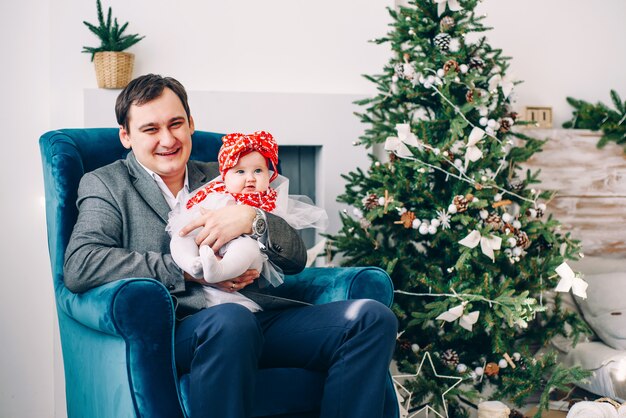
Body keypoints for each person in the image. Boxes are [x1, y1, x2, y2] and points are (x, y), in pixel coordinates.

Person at [63, 73, 398, 418]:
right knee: (230, 321)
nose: (167, 139)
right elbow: (82, 264)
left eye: (176, 124)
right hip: (180, 329)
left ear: (191, 124)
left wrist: (254, 219)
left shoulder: (230, 173)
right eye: (151, 129)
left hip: (257, 316)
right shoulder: (106, 183)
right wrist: (189, 273)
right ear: (126, 136)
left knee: (371, 318)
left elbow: (296, 258)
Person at [167, 130, 327, 311]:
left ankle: (220, 270)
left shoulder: (269, 200)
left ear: (269, 175)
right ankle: (192, 264)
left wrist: (254, 218)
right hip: (204, 246)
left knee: (248, 248)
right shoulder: (213, 193)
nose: (250, 178)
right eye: (240, 171)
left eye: (258, 171)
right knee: (181, 236)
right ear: (224, 176)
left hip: (243, 249)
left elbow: (295, 254)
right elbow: (194, 218)